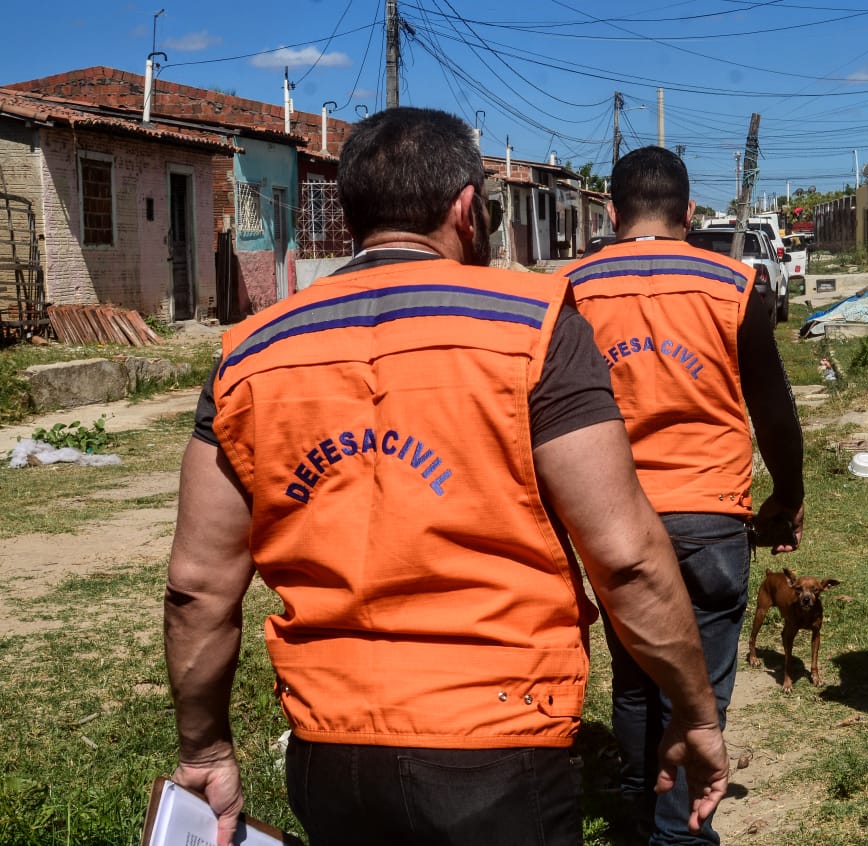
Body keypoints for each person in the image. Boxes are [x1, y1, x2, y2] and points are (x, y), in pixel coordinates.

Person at [163, 108, 728, 846]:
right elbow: (624, 556)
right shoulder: (533, 325)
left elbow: (197, 587)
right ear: (467, 209)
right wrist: (693, 711)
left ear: (351, 208)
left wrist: (204, 748)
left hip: (329, 758)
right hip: (497, 744)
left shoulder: (249, 352)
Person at [561, 146, 804, 845]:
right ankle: (680, 833)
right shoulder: (733, 284)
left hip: (610, 515)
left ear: (610, 212)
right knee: (699, 691)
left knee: (636, 673)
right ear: (689, 213)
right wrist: (785, 497)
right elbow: (774, 410)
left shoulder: (570, 288)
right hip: (709, 518)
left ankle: (641, 812)